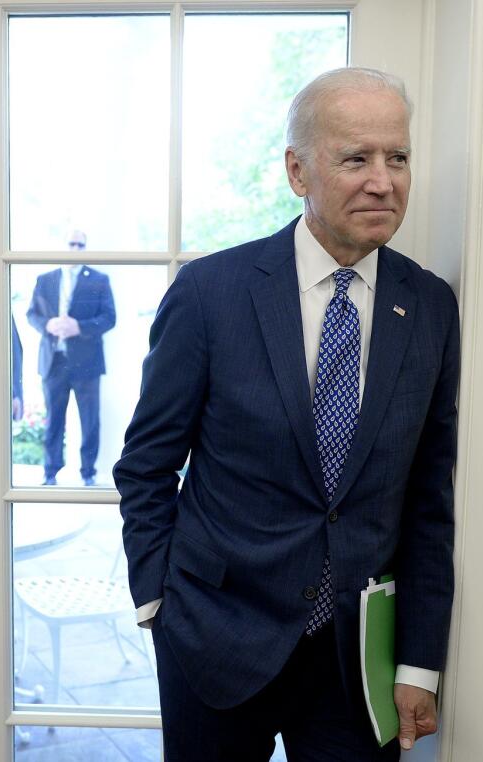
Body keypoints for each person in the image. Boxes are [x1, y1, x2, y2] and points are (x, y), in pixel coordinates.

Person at [115, 68, 459, 761]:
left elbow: (429, 496)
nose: (383, 181)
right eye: (356, 158)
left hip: (356, 666)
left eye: (398, 157)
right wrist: (158, 603)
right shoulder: (212, 294)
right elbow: (146, 466)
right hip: (214, 640)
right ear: (298, 171)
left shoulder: (428, 306)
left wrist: (419, 662)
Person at [27, 231, 116, 486]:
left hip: (87, 364)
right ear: (62, 246)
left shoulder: (99, 280)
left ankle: (88, 473)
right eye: (71, 243)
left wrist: (80, 327)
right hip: (54, 362)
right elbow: (32, 314)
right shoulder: (45, 280)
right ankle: (50, 472)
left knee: (90, 420)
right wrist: (48, 324)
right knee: (54, 419)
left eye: (81, 245)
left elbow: (109, 318)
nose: (75, 248)